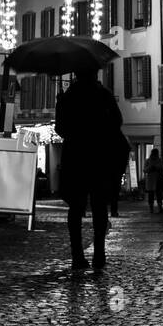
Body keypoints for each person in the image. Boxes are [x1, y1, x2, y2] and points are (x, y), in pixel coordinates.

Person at [54, 67, 131, 271]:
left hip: (76, 157)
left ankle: (77, 256)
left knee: (76, 209)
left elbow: (60, 129)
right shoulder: (103, 94)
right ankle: (99, 253)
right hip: (100, 156)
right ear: (95, 73)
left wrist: (60, 106)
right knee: (99, 208)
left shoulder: (69, 96)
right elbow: (117, 122)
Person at [145, 148, 163, 214]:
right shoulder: (148, 161)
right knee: (152, 194)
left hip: (157, 179)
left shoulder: (159, 161)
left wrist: (157, 168)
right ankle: (153, 208)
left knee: (158, 194)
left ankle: (159, 208)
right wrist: (150, 168)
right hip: (152, 180)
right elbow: (145, 170)